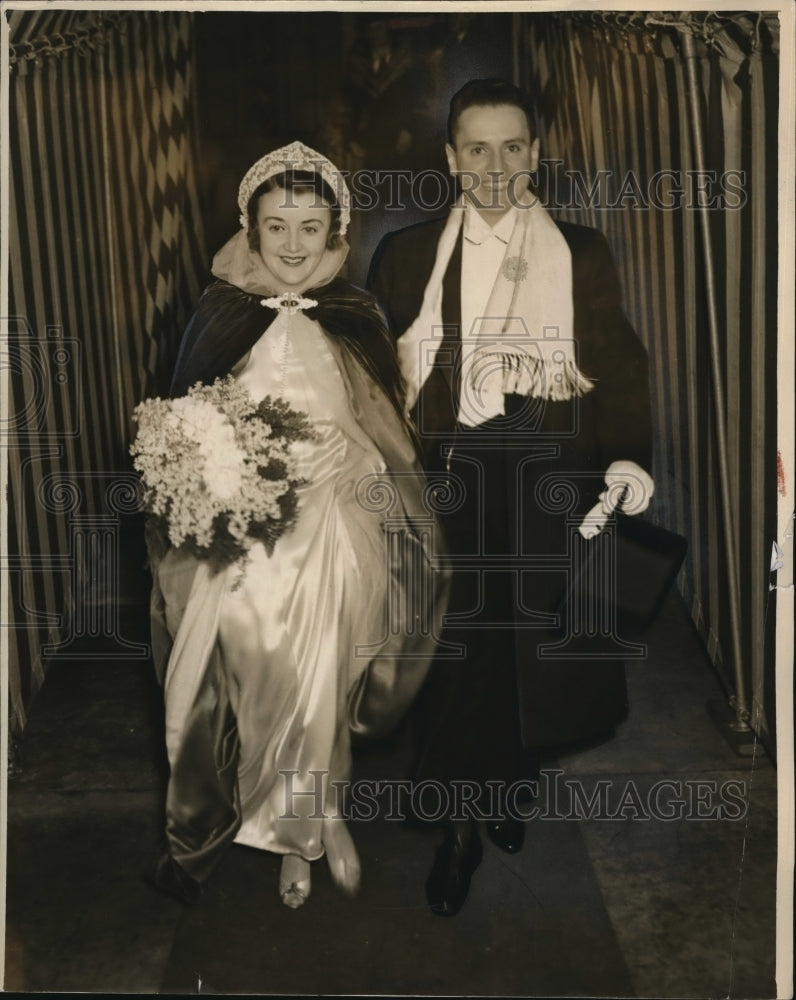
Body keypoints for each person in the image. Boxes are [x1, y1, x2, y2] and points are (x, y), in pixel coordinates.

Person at [368, 79, 654, 916]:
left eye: (514, 147)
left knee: (527, 643)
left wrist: (627, 461)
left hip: (547, 479)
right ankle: (459, 824)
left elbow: (620, 367)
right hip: (445, 480)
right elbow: (373, 382)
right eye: (478, 148)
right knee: (457, 648)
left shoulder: (584, 251)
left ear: (536, 154)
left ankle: (509, 782)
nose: (496, 165)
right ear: (451, 158)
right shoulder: (407, 253)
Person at [147, 142, 446, 909]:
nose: (291, 245)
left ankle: (306, 831)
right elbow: (188, 418)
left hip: (340, 499)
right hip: (247, 508)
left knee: (317, 652)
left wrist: (378, 479)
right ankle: (253, 803)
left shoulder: (355, 313)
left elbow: (383, 424)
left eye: (308, 227)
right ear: (249, 229)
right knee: (246, 660)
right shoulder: (220, 313)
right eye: (275, 227)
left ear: (335, 231)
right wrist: (210, 480)